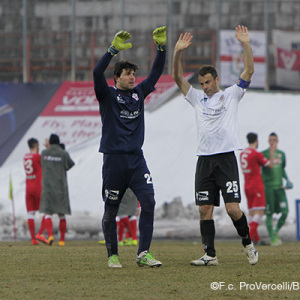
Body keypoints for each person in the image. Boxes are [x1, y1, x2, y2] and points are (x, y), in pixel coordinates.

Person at [172, 25, 258, 266]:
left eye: (208, 82)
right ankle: (210, 254)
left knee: (232, 209)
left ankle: (247, 243)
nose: (205, 86)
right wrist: (177, 52)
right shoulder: (197, 98)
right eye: (201, 83)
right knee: (204, 209)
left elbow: (249, 70)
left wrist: (246, 44)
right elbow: (177, 78)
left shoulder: (231, 95)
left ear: (217, 79)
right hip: (204, 160)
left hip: (226, 159)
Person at [93, 26, 167, 268]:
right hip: (114, 160)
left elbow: (155, 73)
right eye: (127, 74)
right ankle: (112, 255)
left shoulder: (138, 93)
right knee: (111, 209)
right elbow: (96, 73)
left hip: (136, 160)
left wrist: (161, 48)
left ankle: (143, 253)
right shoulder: (107, 95)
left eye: (133, 74)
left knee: (149, 202)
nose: (132, 77)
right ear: (117, 77)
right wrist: (112, 50)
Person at [39, 134, 75, 246]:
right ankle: (62, 240)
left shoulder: (44, 153)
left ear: (49, 142)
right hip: (60, 188)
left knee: (48, 213)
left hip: (48, 188)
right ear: (59, 142)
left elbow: (41, 164)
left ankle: (50, 236)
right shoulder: (63, 154)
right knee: (62, 214)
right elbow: (70, 164)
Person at [240, 133, 275, 245]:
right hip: (256, 185)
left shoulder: (242, 153)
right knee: (259, 212)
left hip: (247, 186)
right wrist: (272, 151)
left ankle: (257, 240)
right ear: (256, 140)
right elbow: (269, 165)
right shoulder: (256, 154)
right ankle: (248, 240)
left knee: (252, 213)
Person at [262, 132, 293, 246]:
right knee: (269, 213)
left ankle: (275, 231)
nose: (272, 142)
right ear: (268, 141)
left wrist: (287, 179)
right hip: (269, 188)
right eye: (270, 140)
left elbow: (282, 169)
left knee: (285, 212)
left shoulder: (281, 154)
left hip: (280, 188)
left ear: (277, 141)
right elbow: (261, 169)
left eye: (274, 140)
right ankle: (272, 238)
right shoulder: (264, 154)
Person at [23, 138, 48, 245]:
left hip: (28, 187)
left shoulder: (25, 157)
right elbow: (46, 162)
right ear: (37, 145)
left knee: (30, 214)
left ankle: (33, 239)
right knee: (47, 211)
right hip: (38, 187)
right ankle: (41, 233)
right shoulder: (37, 157)